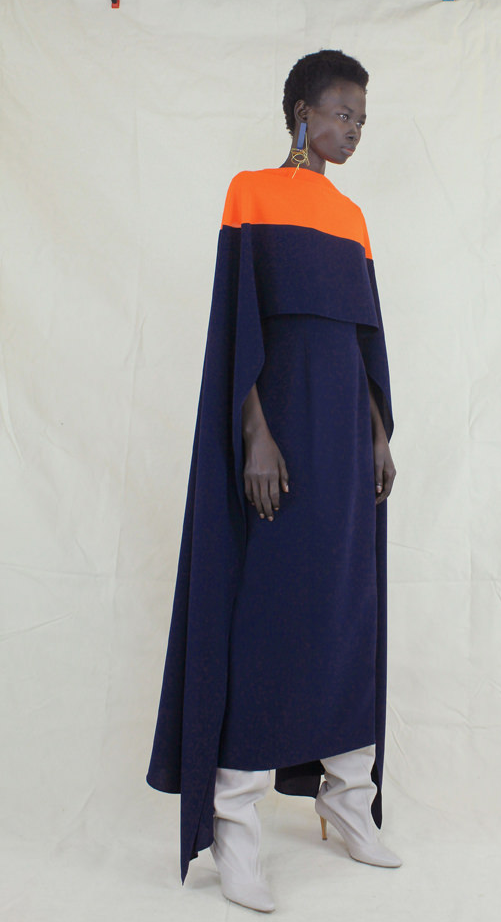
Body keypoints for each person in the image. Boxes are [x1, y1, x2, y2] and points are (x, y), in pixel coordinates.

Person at [146, 49, 400, 913]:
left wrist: (380, 434)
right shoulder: (250, 193)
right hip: (279, 439)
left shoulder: (353, 217)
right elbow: (237, 323)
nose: (351, 129)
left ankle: (348, 799)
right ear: (301, 112)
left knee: (350, 614)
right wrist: (255, 434)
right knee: (265, 622)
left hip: (345, 443)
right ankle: (236, 829)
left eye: (361, 119)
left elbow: (364, 339)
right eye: (340, 113)